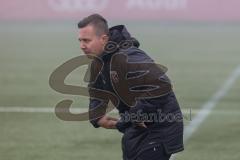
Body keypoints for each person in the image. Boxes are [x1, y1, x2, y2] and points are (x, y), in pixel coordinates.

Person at [78, 14, 184, 160]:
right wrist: (97, 115)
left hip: (159, 129)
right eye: (80, 40)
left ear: (103, 39)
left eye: (86, 40)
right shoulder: (98, 62)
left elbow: (162, 84)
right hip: (135, 128)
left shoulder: (128, 56)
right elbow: (96, 90)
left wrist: (133, 115)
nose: (82, 46)